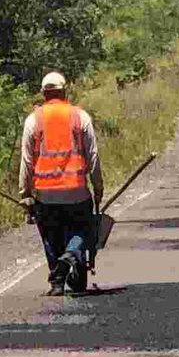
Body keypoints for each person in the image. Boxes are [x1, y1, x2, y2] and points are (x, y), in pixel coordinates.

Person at [19, 72, 103, 296]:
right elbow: (92, 155)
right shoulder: (80, 117)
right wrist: (98, 187)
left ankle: (57, 282)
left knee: (50, 235)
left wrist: (25, 193)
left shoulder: (33, 120)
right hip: (76, 190)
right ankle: (71, 254)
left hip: (45, 194)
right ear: (65, 91)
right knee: (83, 229)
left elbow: (27, 160)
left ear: (43, 93)